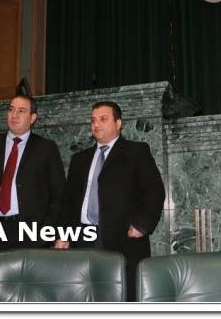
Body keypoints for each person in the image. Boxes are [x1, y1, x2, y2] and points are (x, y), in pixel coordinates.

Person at [55, 101, 165, 302]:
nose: (96, 124)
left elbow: (154, 191)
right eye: (93, 120)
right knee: (85, 298)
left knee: (122, 298)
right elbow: (68, 202)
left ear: (118, 123)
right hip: (82, 239)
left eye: (103, 119)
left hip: (122, 239)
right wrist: (63, 234)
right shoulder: (80, 159)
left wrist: (142, 224)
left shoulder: (136, 151)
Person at [0, 94, 66, 260]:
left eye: (21, 111)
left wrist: (45, 232)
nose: (14, 115)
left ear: (32, 118)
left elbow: (58, 194)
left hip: (31, 236)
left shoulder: (46, 148)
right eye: (11, 110)